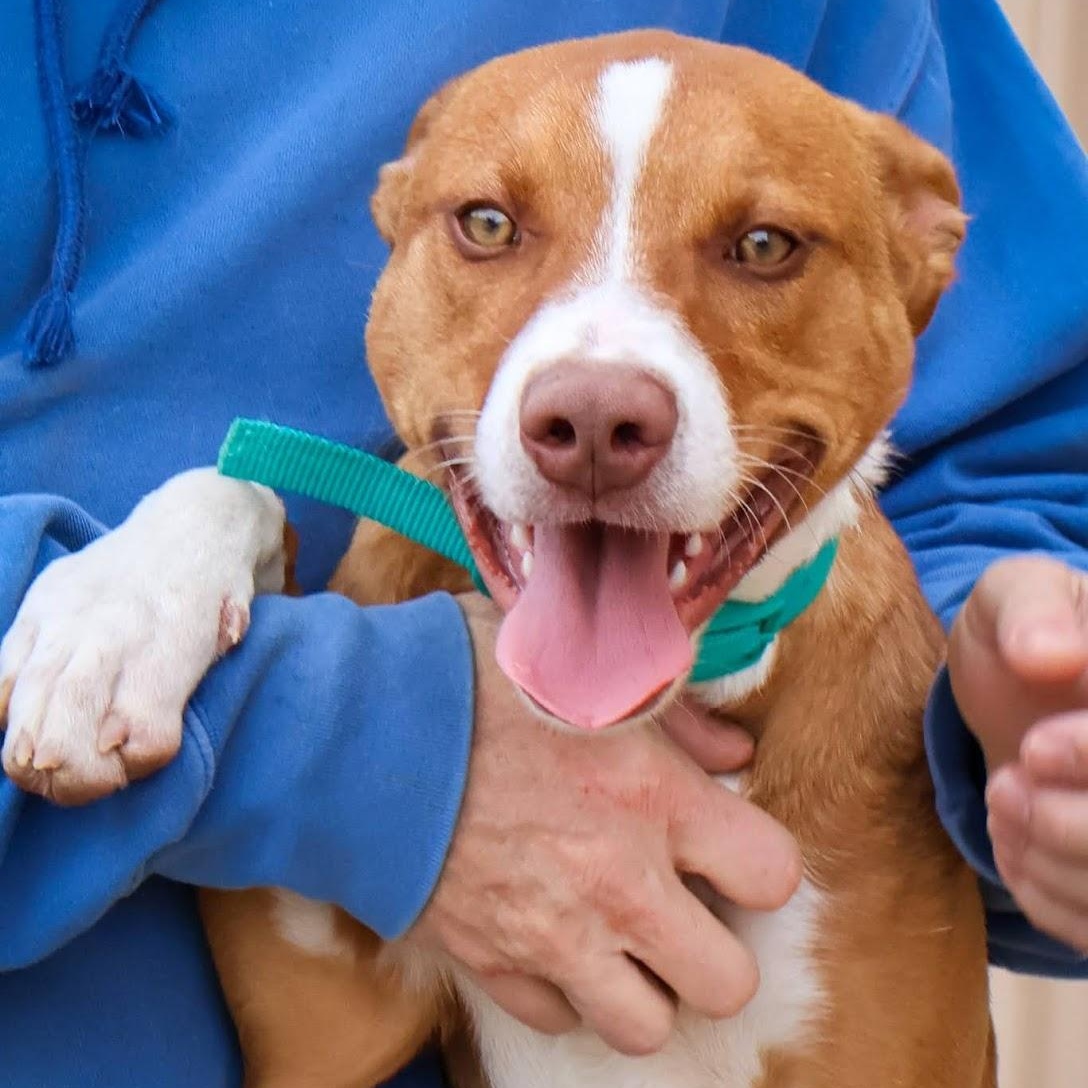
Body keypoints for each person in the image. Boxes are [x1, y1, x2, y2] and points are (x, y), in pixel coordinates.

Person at [1, 0, 1085, 1085]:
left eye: (759, 247)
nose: (600, 390)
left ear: (924, 242)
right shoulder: (371, 593)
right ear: (397, 209)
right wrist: (330, 722)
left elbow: (1018, 452)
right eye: (488, 226)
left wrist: (1026, 728)